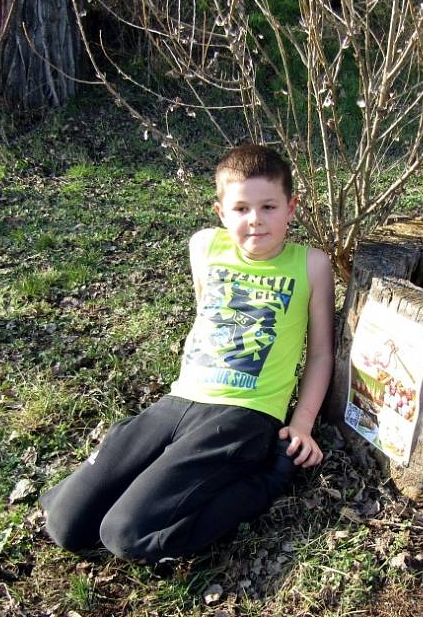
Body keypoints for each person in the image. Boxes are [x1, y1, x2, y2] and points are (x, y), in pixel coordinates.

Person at [40, 143, 335, 563]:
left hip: (243, 414)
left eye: (269, 206)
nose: (255, 220)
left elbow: (321, 354)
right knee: (66, 525)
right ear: (220, 212)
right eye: (241, 209)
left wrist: (301, 424)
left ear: (291, 207)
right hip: (178, 401)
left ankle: (266, 480)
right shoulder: (204, 247)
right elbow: (206, 313)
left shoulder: (311, 264)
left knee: (125, 533)